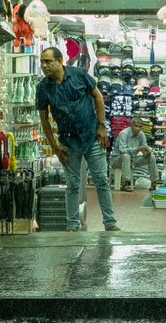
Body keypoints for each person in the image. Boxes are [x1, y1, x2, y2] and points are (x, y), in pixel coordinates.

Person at [36, 46, 120, 232]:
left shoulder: (79, 75)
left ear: (60, 61)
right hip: (68, 143)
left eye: (48, 61)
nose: (44, 66)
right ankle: (72, 224)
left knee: (101, 180)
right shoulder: (43, 88)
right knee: (72, 185)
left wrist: (101, 126)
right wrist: (55, 148)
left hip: (91, 137)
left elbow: (98, 97)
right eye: (42, 62)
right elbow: (44, 121)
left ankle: (110, 223)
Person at [109, 116, 158, 192]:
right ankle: (126, 183)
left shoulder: (141, 134)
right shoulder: (124, 134)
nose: (138, 128)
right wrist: (138, 149)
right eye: (136, 126)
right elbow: (122, 150)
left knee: (151, 157)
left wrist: (147, 152)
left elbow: (144, 146)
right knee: (126, 156)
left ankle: (154, 182)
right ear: (131, 126)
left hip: (132, 159)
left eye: (140, 127)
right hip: (117, 160)